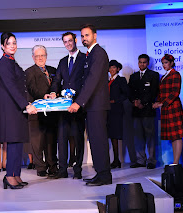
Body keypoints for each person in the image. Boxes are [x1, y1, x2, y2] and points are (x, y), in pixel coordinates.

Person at [68, 24, 112, 186]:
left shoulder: (98, 53)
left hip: (97, 106)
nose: (84, 38)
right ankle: (100, 173)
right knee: (94, 140)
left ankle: (104, 176)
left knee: (98, 140)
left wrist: (79, 102)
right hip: (92, 106)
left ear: (95, 36)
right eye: (82, 36)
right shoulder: (90, 54)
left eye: (87, 35)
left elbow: (92, 80)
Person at [0, 32, 37, 189]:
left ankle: (16, 174)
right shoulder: (4, 63)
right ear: (3, 46)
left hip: (17, 106)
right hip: (10, 107)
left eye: (14, 43)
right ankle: (9, 176)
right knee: (13, 140)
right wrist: (26, 105)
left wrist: (29, 101)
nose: (12, 46)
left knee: (18, 140)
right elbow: (12, 88)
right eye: (9, 43)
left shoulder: (12, 61)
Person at [47, 32, 86, 179]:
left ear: (75, 41)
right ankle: (62, 170)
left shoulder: (84, 59)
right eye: (65, 42)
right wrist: (53, 92)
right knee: (62, 138)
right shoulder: (63, 61)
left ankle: (78, 170)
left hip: (78, 106)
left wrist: (79, 101)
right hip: (63, 107)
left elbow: (86, 82)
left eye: (70, 41)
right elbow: (57, 80)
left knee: (78, 139)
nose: (68, 44)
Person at [25, 45, 58, 177]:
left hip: (52, 113)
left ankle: (52, 165)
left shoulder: (53, 70)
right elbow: (32, 89)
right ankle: (40, 168)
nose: (40, 58)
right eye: (37, 56)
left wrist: (54, 93)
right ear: (33, 57)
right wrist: (44, 96)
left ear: (46, 56)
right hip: (36, 113)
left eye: (42, 55)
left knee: (51, 141)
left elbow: (57, 85)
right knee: (37, 143)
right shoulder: (29, 72)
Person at [153, 54, 183, 164]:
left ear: (172, 63)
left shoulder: (175, 74)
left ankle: (176, 163)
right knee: (173, 136)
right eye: (163, 63)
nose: (164, 65)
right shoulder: (163, 77)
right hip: (166, 108)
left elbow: (175, 92)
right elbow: (161, 92)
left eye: (166, 63)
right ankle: (175, 162)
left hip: (173, 107)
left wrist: (162, 103)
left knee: (177, 136)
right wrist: (158, 102)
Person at [128, 54, 159, 169]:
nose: (142, 64)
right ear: (138, 62)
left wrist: (143, 102)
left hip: (148, 110)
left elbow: (154, 92)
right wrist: (134, 101)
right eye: (140, 62)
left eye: (144, 62)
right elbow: (129, 92)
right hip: (136, 110)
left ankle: (151, 160)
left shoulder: (154, 75)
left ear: (148, 63)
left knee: (150, 136)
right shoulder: (133, 76)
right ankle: (140, 160)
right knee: (138, 136)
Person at [107, 60, 128, 169]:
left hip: (117, 110)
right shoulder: (106, 81)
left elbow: (126, 94)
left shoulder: (121, 80)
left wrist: (115, 101)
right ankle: (114, 160)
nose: (111, 70)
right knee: (111, 136)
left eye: (114, 68)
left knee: (116, 135)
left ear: (118, 69)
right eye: (110, 68)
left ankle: (117, 160)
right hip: (108, 111)